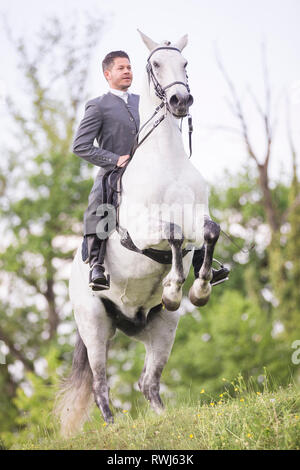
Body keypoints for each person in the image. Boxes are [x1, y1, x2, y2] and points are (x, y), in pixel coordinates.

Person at [73, 50, 139, 290]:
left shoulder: (144, 102)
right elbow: (80, 146)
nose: (127, 71)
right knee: (99, 203)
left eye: (129, 67)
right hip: (114, 173)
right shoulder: (98, 105)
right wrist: (114, 159)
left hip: (147, 169)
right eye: (121, 68)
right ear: (107, 74)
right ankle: (96, 264)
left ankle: (199, 255)